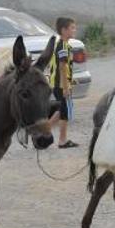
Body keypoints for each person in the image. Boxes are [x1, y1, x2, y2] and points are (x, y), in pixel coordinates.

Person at [48, 17, 79, 149]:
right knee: (65, 112)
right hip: (60, 85)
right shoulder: (62, 45)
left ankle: (43, 130)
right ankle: (62, 141)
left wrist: (71, 80)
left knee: (62, 110)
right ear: (63, 30)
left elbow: (64, 68)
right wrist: (66, 87)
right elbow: (62, 67)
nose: (74, 30)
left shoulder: (61, 44)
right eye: (72, 28)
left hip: (59, 83)